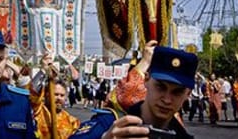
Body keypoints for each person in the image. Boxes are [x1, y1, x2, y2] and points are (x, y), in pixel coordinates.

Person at [69, 45, 198, 139]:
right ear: (146, 79)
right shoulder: (111, 124)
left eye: (177, 92)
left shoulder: (182, 135)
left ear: (188, 94)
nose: (167, 99)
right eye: (160, 87)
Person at [29, 53, 80, 139]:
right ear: (47, 95)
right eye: (55, 94)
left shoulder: (72, 122)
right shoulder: (38, 111)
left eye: (62, 95)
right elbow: (32, 92)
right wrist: (43, 70)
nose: (58, 98)